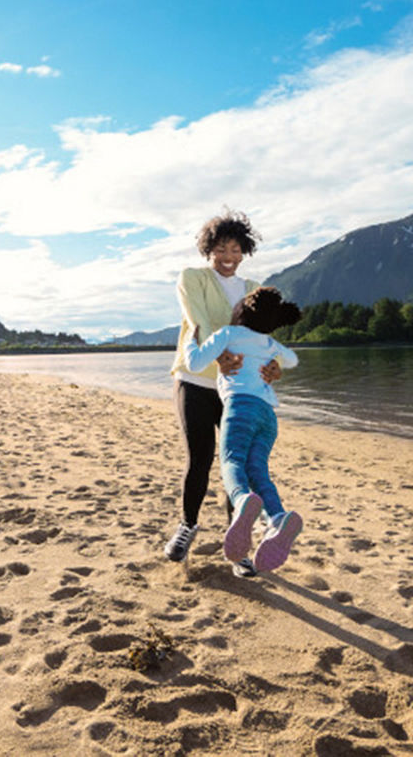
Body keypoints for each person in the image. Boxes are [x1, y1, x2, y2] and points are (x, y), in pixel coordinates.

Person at [163, 211, 281, 578]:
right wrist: (222, 353)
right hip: (196, 381)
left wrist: (273, 363)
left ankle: (238, 549)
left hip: (237, 388)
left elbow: (263, 336)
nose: (228, 256)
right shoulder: (192, 278)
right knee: (200, 458)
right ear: (208, 250)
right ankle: (187, 527)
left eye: (235, 249)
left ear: (244, 251)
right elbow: (199, 321)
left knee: (240, 464)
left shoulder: (254, 289)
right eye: (220, 248)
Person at [184, 287, 303, 573]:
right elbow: (294, 359)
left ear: (242, 311)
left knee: (232, 461)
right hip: (267, 415)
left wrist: (191, 340)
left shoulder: (228, 334)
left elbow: (194, 363)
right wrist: (276, 363)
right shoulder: (269, 343)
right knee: (258, 469)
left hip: (239, 408)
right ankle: (276, 518)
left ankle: (241, 500)